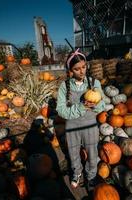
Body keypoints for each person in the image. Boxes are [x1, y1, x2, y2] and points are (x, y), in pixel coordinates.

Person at [56, 49, 105, 190]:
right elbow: (61, 110)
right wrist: (81, 107)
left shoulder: (94, 83)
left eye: (84, 67)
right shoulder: (64, 86)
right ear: (70, 70)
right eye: (77, 69)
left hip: (90, 125)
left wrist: (95, 105)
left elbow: (102, 103)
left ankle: (91, 176)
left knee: (92, 153)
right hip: (72, 127)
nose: (82, 71)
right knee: (73, 152)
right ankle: (76, 173)